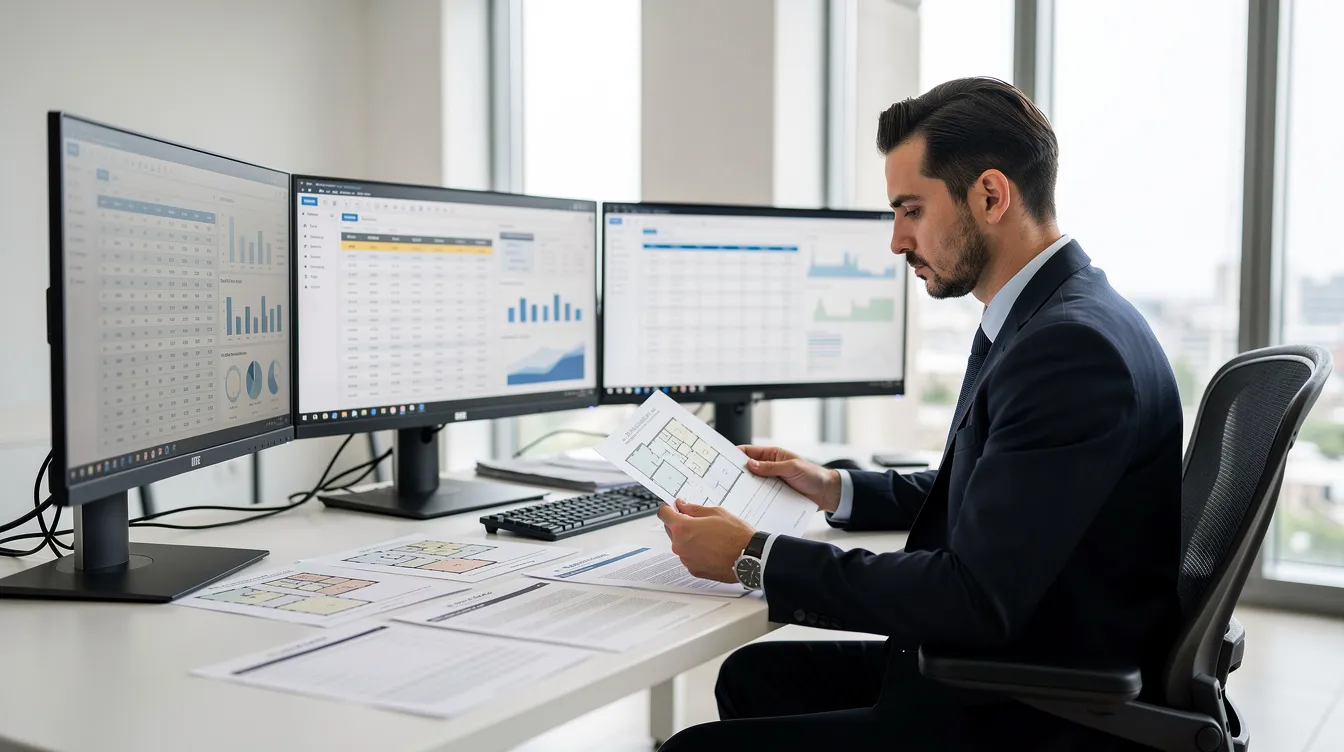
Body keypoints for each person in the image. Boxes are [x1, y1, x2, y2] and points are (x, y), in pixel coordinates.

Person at [656, 77, 1183, 751]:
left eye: (910, 210)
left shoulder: (1069, 348)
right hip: (1021, 660)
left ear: (990, 195)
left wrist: (752, 556)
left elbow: (971, 594)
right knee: (753, 676)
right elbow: (1002, 490)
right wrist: (835, 487)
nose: (897, 240)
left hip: (1030, 708)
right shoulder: (1056, 313)